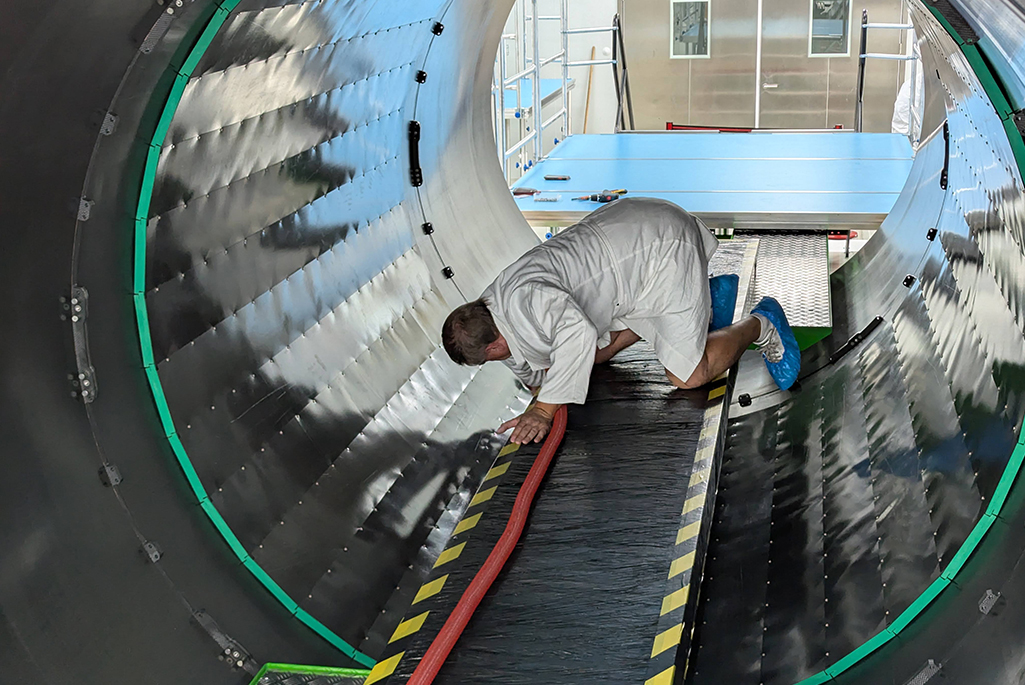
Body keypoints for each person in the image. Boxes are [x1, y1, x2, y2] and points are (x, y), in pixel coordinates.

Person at [442, 197, 799, 445]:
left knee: (690, 376)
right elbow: (536, 370)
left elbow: (576, 333)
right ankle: (704, 299)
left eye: (489, 358)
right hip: (626, 253)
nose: (497, 361)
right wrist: (541, 397)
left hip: (659, 249)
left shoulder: (528, 299)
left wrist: (545, 411)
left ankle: (762, 322)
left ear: (493, 344)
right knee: (589, 357)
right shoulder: (491, 309)